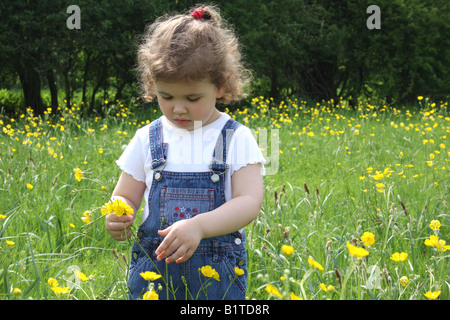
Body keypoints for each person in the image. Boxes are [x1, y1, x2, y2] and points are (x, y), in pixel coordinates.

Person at [105, 5, 265, 300]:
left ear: (220, 85)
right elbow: (125, 195)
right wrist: (119, 213)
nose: (178, 108)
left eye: (192, 98)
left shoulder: (236, 138)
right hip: (154, 272)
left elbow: (249, 202)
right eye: (166, 96)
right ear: (153, 85)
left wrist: (200, 227)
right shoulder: (146, 137)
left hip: (217, 275)